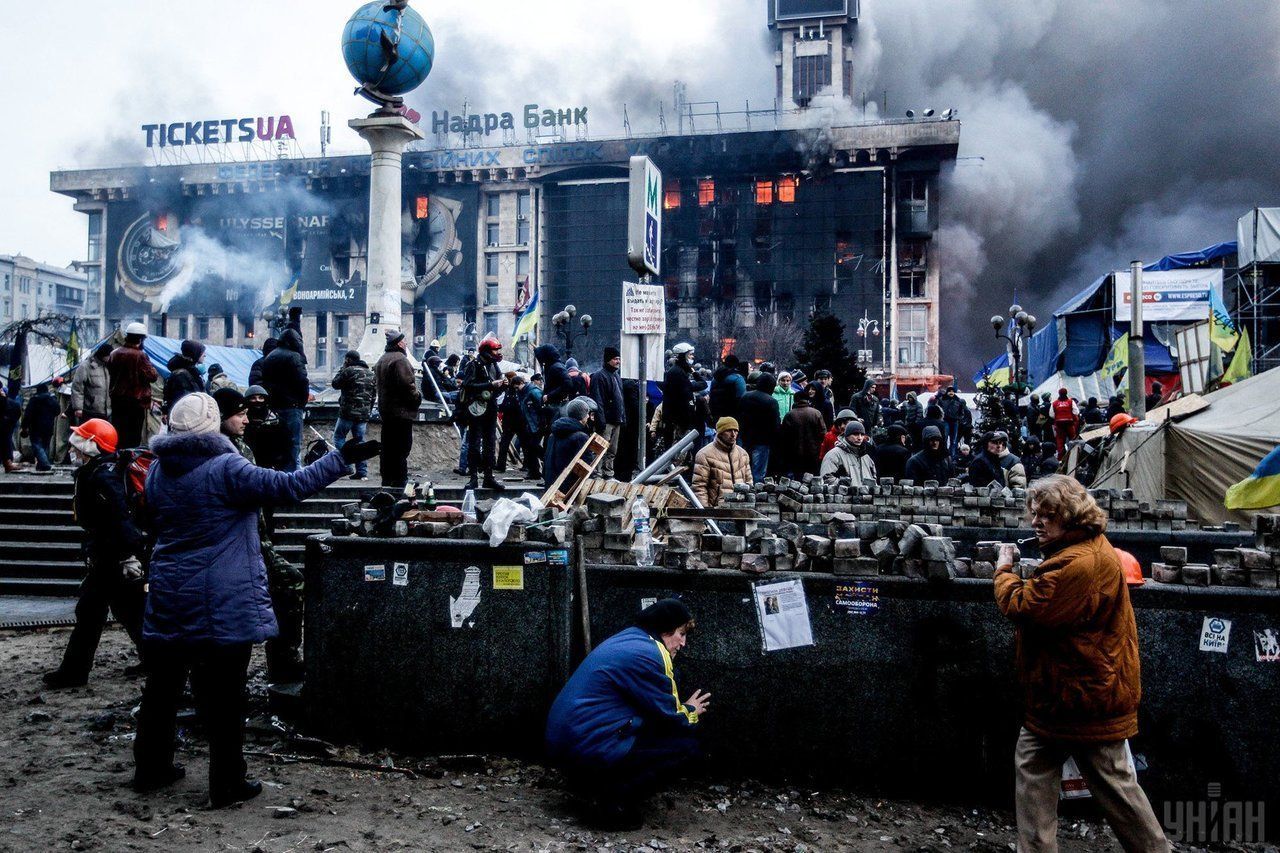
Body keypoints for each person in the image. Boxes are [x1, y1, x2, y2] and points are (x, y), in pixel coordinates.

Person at [132, 392, 379, 807]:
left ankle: (151, 768)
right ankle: (226, 783)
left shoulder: (157, 470)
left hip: (171, 592)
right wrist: (339, 458)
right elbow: (290, 486)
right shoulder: (225, 467)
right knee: (225, 695)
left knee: (162, 687)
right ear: (213, 425)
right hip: (221, 598)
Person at [994, 475, 1170, 852]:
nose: (1037, 522)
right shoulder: (1087, 548)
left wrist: (1003, 571)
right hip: (1068, 693)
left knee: (1114, 786)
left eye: (1047, 515)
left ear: (1070, 516)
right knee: (1052, 771)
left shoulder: (1076, 564)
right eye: (1035, 514)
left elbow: (1024, 607)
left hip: (1080, 696)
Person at [546, 598, 708, 829]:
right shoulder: (653, 653)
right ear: (666, 628)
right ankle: (611, 804)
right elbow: (672, 717)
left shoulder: (630, 637)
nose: (683, 643)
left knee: (651, 732)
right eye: (681, 633)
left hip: (568, 741)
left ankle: (589, 786)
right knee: (687, 746)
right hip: (585, 745)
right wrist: (692, 710)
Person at [42, 419, 147, 688]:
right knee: (129, 611)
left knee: (91, 613)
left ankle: (74, 672)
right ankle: (155, 659)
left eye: (78, 444)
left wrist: (128, 554)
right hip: (111, 554)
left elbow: (117, 517)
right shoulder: (105, 470)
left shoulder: (101, 476)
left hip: (110, 556)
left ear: (90, 446)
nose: (72, 451)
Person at [214, 388, 307, 683]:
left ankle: (281, 660)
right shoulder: (225, 451)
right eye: (239, 414)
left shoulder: (237, 445)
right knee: (289, 585)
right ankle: (282, 661)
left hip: (255, 536)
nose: (245, 419)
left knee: (287, 586)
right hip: (242, 542)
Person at [374, 330, 422, 489]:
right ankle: (401, 481)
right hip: (401, 413)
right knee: (402, 448)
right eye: (404, 341)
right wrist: (417, 398)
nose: (407, 343)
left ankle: (387, 481)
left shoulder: (382, 359)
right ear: (400, 343)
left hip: (386, 413)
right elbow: (408, 386)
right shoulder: (400, 360)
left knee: (388, 449)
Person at [458, 335, 507, 491]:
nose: (498, 352)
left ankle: (488, 477)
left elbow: (496, 388)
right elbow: (468, 384)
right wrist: (490, 384)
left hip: (490, 408)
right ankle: (473, 478)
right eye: (495, 349)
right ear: (487, 351)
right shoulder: (474, 364)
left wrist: (503, 385)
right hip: (476, 409)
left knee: (490, 444)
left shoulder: (494, 365)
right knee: (474, 444)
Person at [260, 328, 309, 471]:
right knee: (293, 443)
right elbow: (302, 382)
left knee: (278, 443)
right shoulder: (294, 356)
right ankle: (291, 478)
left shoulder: (270, 356)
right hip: (292, 406)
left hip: (275, 406)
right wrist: (301, 402)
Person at [108, 322, 159, 450]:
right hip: (136, 401)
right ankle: (129, 463)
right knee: (133, 436)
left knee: (118, 433)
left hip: (117, 400)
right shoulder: (140, 356)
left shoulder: (114, 353)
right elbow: (152, 376)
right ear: (141, 339)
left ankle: (117, 460)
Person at [330, 350, 375, 481]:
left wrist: (342, 368)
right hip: (363, 415)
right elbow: (373, 396)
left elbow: (335, 384)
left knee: (339, 437)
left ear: (348, 360)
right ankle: (362, 471)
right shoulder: (371, 374)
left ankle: (348, 465)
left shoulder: (348, 371)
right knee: (360, 442)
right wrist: (367, 411)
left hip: (347, 413)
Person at [692, 417, 752, 507]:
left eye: (735, 431)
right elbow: (699, 487)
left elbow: (749, 483)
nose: (733, 434)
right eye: (728, 431)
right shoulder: (704, 454)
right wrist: (705, 511)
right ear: (720, 433)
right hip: (717, 509)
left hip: (741, 508)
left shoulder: (743, 454)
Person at [590, 347, 627, 479]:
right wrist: (601, 420)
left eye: (618, 358)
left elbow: (620, 399)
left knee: (612, 450)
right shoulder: (599, 376)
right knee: (600, 449)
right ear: (608, 360)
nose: (618, 361)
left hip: (616, 419)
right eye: (615, 359)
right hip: (606, 420)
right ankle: (596, 474)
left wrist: (622, 417)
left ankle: (608, 473)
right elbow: (597, 400)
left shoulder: (616, 376)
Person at [544, 397, 595, 488]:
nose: (588, 416)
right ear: (582, 415)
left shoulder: (553, 434)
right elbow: (586, 466)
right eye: (587, 414)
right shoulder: (581, 437)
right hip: (569, 488)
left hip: (551, 485)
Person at [738, 373, 780, 483]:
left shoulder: (745, 396)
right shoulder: (771, 402)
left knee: (744, 468)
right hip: (763, 441)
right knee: (758, 471)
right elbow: (775, 425)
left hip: (745, 438)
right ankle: (756, 494)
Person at [777, 386, 826, 477]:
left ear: (795, 400)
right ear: (807, 400)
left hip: (794, 453)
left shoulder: (789, 415)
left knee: (797, 479)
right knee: (812, 479)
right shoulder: (816, 413)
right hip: (813, 452)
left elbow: (784, 436)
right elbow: (823, 433)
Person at [243, 385, 290, 473]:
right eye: (253, 398)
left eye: (261, 398)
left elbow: (287, 444)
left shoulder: (277, 421)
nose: (257, 401)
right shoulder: (244, 422)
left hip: (274, 467)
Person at [820, 420, 878, 485]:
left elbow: (874, 479)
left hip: (865, 495)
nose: (859, 438)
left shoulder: (866, 457)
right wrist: (842, 485)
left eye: (862, 434)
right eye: (855, 434)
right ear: (847, 435)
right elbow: (826, 479)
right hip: (845, 495)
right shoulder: (833, 455)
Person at [661, 342, 697, 448]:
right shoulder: (677, 372)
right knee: (677, 452)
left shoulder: (679, 371)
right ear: (683, 355)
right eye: (690, 354)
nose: (692, 357)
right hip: (677, 421)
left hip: (678, 420)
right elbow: (681, 397)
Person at [71, 343, 113, 425]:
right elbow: (77, 388)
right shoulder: (85, 366)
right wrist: (78, 408)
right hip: (90, 412)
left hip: (108, 413)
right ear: (103, 355)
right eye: (108, 356)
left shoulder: (110, 366)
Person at [21, 383, 60, 471]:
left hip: (35, 427)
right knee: (45, 446)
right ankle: (41, 465)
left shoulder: (34, 400)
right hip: (48, 427)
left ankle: (45, 463)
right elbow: (58, 411)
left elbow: (27, 414)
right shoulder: (52, 399)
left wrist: (24, 426)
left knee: (37, 446)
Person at [163, 340, 205, 418]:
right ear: (194, 353)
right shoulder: (182, 375)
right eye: (202, 352)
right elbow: (185, 399)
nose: (204, 355)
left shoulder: (190, 372)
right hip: (185, 419)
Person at [709, 354, 747, 423]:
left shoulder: (715, 378)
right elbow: (742, 398)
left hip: (717, 414)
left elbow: (711, 393)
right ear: (736, 365)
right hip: (732, 415)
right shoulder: (738, 378)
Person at [1050, 388, 1080, 458]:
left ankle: (1061, 457)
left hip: (1059, 425)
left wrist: (1058, 416)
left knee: (1060, 442)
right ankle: (1073, 456)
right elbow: (1076, 412)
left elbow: (1051, 415)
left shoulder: (1054, 403)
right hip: (1070, 424)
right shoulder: (1071, 401)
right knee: (1073, 440)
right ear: (1066, 393)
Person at [938, 386, 966, 458]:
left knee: (953, 440)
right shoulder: (942, 400)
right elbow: (938, 410)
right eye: (950, 391)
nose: (951, 393)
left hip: (955, 421)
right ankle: (943, 454)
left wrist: (958, 418)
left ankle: (952, 456)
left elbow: (962, 412)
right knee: (945, 438)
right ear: (947, 392)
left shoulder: (958, 401)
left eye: (952, 391)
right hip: (945, 421)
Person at [0, 386, 21, 472]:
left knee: (6, 442)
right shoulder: (10, 402)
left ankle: (7, 462)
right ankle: (7, 463)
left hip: (5, 424)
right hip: (6, 425)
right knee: (6, 442)